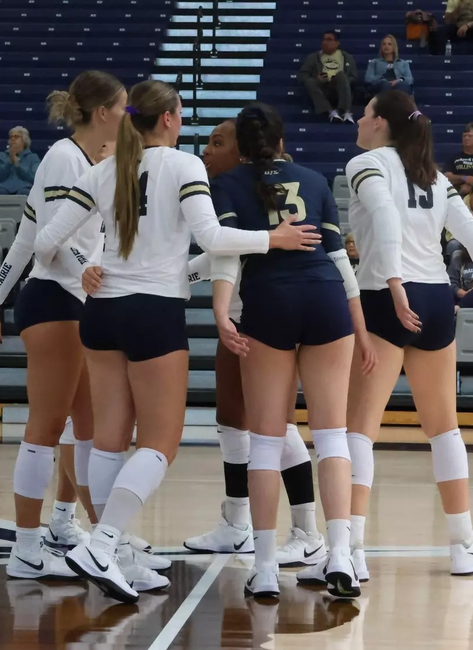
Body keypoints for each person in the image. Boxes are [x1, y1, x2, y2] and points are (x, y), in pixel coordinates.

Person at [31, 80, 321, 604]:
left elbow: (46, 241)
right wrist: (272, 238)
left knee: (108, 442)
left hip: (102, 313)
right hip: (154, 313)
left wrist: (86, 267)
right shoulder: (184, 166)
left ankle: (116, 556)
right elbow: (213, 239)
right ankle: (104, 544)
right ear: (167, 119)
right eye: (181, 113)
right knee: (160, 445)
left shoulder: (102, 170)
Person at [319, 90, 473, 583]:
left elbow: (385, 217)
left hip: (387, 295)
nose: (359, 121)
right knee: (444, 428)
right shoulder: (433, 174)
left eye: (365, 115)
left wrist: (393, 282)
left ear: (380, 124)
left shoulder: (366, 163)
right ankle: (464, 545)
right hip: (436, 298)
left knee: (358, 430)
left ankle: (355, 550)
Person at [0, 71, 161, 586]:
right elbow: (47, 241)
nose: (129, 118)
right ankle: (26, 549)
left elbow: (27, 233)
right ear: (102, 113)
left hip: (75, 301)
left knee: (89, 430)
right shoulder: (63, 157)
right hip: (55, 299)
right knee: (45, 426)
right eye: (124, 109)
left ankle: (101, 542)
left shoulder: (91, 162)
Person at [208, 103, 370, 599]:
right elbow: (340, 261)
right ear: (282, 141)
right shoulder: (315, 180)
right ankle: (339, 555)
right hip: (326, 301)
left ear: (242, 145)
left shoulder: (228, 184)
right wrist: (361, 328)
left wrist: (221, 313)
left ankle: (263, 568)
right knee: (333, 436)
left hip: (270, 304)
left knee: (264, 442)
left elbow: (227, 256)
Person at [170, 121, 327, 569]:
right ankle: (236, 523)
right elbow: (223, 253)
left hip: (264, 319)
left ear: (243, 151)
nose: (206, 151)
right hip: (240, 319)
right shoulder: (232, 188)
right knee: (230, 420)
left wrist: (172, 278)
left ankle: (307, 531)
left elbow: (227, 252)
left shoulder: (253, 189)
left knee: (275, 427)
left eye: (217, 143)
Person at [298, 30, 359, 124]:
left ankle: (345, 112)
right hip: (322, 89)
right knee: (310, 82)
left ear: (337, 43)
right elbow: (302, 75)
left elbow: (354, 77)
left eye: (329, 39)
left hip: (341, 89)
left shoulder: (347, 57)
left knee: (341, 75)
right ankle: (330, 112)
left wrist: (344, 81)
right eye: (324, 39)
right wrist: (317, 79)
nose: (325, 42)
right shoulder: (313, 57)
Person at [0, 127, 41, 196]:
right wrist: (9, 163)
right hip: (3, 187)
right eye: (11, 137)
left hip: (25, 188)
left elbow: (34, 178)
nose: (12, 139)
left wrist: (18, 166)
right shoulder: (2, 155)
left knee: (24, 193)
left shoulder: (33, 157)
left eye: (16, 136)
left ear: (24, 140)